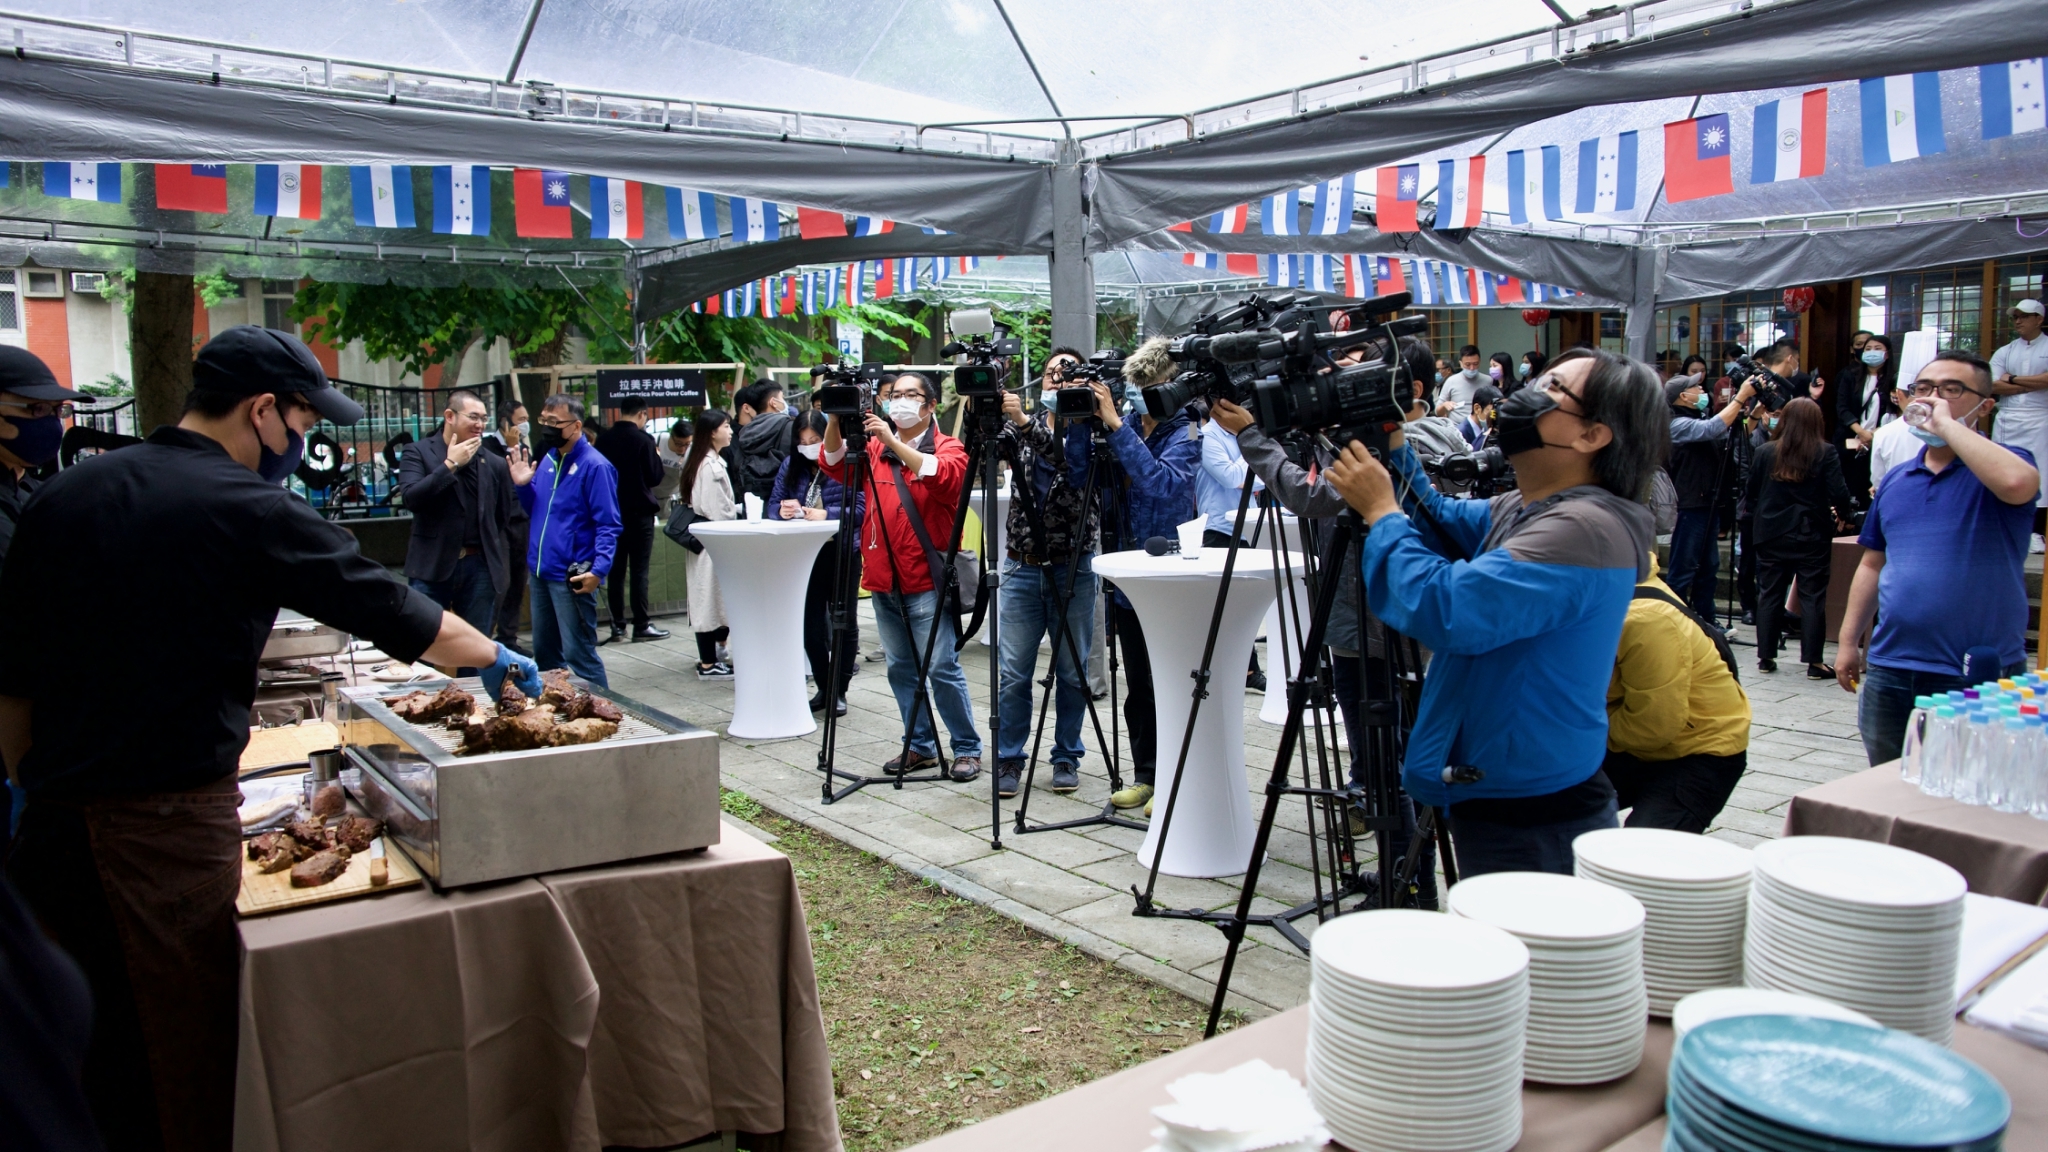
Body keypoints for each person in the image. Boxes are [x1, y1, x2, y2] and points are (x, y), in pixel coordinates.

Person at [0, 325, 535, 1152]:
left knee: (82, 1059)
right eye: (304, 422)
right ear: (262, 410)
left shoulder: (65, 493)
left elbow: (14, 685)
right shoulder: (246, 506)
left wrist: (37, 782)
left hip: (47, 830)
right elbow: (396, 611)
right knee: (177, 1062)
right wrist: (497, 655)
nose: (305, 440)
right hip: (159, 835)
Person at [1325, 346, 1664, 877]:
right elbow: (1435, 518)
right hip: (1500, 783)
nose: (1525, 397)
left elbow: (1446, 608)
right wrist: (1390, 434)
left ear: (1593, 434)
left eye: (1554, 389)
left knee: (1538, 953)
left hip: (1532, 808)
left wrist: (1380, 511)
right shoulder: (1530, 506)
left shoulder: (1583, 528)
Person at [1213, 333, 1446, 907]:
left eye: (1361, 374)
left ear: (1403, 388)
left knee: (1385, 761)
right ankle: (1407, 874)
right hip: (1404, 624)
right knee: (1406, 757)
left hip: (1369, 625)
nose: (1345, 382)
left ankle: (1408, 886)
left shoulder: (1381, 450)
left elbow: (1310, 496)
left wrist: (1251, 436)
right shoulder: (1436, 435)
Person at [1838, 352, 2041, 764]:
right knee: (1888, 781)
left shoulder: (2010, 463)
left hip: (1975, 671)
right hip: (1892, 665)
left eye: (1952, 390)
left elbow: (2018, 484)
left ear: (1985, 406)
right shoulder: (1898, 479)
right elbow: (1872, 563)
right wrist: (1848, 641)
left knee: (1967, 792)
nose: (1933, 400)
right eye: (1924, 389)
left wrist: (1946, 423)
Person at [821, 370, 984, 781]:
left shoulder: (949, 448)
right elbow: (836, 464)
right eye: (894, 394)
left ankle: (966, 748)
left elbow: (943, 477)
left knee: (942, 665)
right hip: (882, 576)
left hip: (926, 578)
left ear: (931, 406)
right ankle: (921, 745)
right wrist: (835, 418)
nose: (901, 401)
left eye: (912, 395)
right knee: (900, 668)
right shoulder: (874, 447)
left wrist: (892, 442)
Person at [1063, 340, 1199, 815]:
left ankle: (1182, 774)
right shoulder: (1123, 428)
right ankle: (1146, 775)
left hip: (1172, 578)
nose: (1142, 397)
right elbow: (1081, 477)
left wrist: (1118, 425)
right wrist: (1082, 422)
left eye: (1152, 388)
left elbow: (1161, 483)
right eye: (1138, 387)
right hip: (1129, 577)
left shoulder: (1187, 435)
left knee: (1175, 681)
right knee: (1139, 682)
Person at [990, 348, 1103, 798]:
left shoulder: (1094, 430)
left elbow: (1069, 467)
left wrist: (1022, 423)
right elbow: (991, 455)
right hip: (1021, 564)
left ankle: (1065, 756)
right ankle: (1009, 758)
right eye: (1050, 372)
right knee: (1014, 672)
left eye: (1067, 372)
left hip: (1072, 568)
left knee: (1073, 671)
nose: (1057, 379)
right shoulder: (1020, 426)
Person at [1603, 553, 1751, 833]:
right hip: (1634, 740)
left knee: (1638, 861)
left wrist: (1584, 725)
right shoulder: (1607, 585)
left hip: (1699, 752)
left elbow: (1653, 726)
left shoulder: (1643, 616)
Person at [510, 393, 621, 687]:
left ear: (576, 426)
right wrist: (522, 486)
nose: (547, 427)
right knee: (545, 653)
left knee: (579, 653)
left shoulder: (595, 466)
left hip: (571, 574)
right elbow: (537, 508)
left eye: (554, 422)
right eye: (544, 421)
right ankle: (556, 707)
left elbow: (609, 524)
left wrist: (599, 570)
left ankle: (602, 707)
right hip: (540, 572)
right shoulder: (548, 459)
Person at [397, 390, 516, 654]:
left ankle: (471, 695)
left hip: (479, 566)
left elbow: (501, 516)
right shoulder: (418, 452)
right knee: (421, 644)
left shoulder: (494, 462)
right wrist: (450, 464)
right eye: (473, 417)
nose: (480, 425)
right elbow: (411, 498)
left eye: (484, 418)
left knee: (475, 650)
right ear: (450, 416)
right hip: (432, 564)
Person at [1748, 397, 1857, 678]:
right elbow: (1839, 492)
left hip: (1771, 531)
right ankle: (1814, 661)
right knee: (1812, 595)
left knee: (1769, 593)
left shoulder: (1765, 452)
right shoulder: (1825, 452)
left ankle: (1765, 656)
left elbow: (1751, 493)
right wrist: (1846, 516)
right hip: (1811, 531)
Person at [771, 409, 862, 714]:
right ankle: (825, 686)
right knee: (811, 625)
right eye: (803, 440)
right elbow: (773, 505)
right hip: (805, 553)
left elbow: (862, 509)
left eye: (815, 439)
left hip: (842, 550)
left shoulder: (847, 461)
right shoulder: (791, 466)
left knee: (844, 621)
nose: (808, 446)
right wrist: (782, 511)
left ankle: (839, 690)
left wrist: (829, 514)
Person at [1665, 369, 1759, 618]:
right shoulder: (1676, 423)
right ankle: (1675, 619)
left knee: (1709, 568)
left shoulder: (1699, 416)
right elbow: (1711, 429)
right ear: (1683, 396)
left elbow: (1729, 436)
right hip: (1690, 505)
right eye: (1697, 389)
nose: (1703, 391)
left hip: (1709, 501)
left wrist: (1755, 413)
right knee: (1683, 568)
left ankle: (1707, 620)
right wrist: (1740, 398)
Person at [1195, 375, 1267, 695]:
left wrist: (1249, 465)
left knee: (1241, 602)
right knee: (1220, 604)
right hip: (1217, 530)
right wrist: (1255, 456)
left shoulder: (1240, 437)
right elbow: (1232, 477)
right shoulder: (1207, 437)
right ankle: (1235, 667)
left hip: (1246, 526)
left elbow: (1258, 477)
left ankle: (1248, 667)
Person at [594, 396, 671, 644]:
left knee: (615, 571)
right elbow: (654, 477)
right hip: (639, 513)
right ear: (642, 415)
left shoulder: (603, 440)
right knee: (639, 571)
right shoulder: (644, 440)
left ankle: (617, 626)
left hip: (611, 513)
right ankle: (641, 624)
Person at [679, 409, 736, 679]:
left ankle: (711, 658)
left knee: (707, 598)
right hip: (713, 541)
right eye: (726, 426)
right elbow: (716, 509)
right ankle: (708, 662)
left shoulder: (701, 460)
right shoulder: (710, 466)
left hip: (704, 541)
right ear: (713, 431)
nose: (731, 431)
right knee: (709, 601)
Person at [1990, 299, 2048, 553]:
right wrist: (2034, 383)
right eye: (2016, 317)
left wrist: (2012, 379)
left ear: (2039, 319)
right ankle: (2005, 528)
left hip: (2041, 417)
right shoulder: (2005, 351)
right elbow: (1992, 384)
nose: (2018, 321)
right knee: (2005, 470)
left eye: (2025, 316)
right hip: (2008, 417)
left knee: (2042, 474)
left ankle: (2036, 531)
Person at [480, 399, 533, 654]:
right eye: (520, 420)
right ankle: (484, 640)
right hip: (500, 523)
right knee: (501, 583)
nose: (525, 425)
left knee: (517, 582)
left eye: (526, 419)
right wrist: (510, 449)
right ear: (505, 422)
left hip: (522, 521)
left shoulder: (523, 448)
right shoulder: (487, 447)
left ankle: (509, 639)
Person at [1836, 334, 1895, 506]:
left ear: (1888, 354)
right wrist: (1861, 432)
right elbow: (1842, 407)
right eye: (1868, 349)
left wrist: (1876, 433)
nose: (1871, 352)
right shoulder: (1850, 375)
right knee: (1852, 488)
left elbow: (1895, 409)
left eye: (1877, 349)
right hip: (1851, 440)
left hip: (1880, 439)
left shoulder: (1892, 379)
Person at [733, 378, 796, 509]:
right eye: (782, 398)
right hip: (786, 506)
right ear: (773, 402)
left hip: (753, 506)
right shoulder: (790, 427)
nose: (784, 402)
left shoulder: (745, 432)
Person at [1868, 378, 1920, 492]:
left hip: (1893, 497)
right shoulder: (1949, 431)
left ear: (1899, 394)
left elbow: (1878, 481)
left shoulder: (1883, 433)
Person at [1436, 344, 1486, 422]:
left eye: (1475, 364)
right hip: (1456, 427)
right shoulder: (1451, 381)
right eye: (1467, 364)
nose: (1472, 368)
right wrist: (1444, 405)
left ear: (1480, 362)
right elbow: (1437, 412)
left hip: (1481, 427)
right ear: (1461, 363)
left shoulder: (1488, 381)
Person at [1459, 384, 1501, 450]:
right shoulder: (1460, 434)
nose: (1495, 417)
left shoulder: (1488, 430)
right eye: (1492, 412)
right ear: (1477, 408)